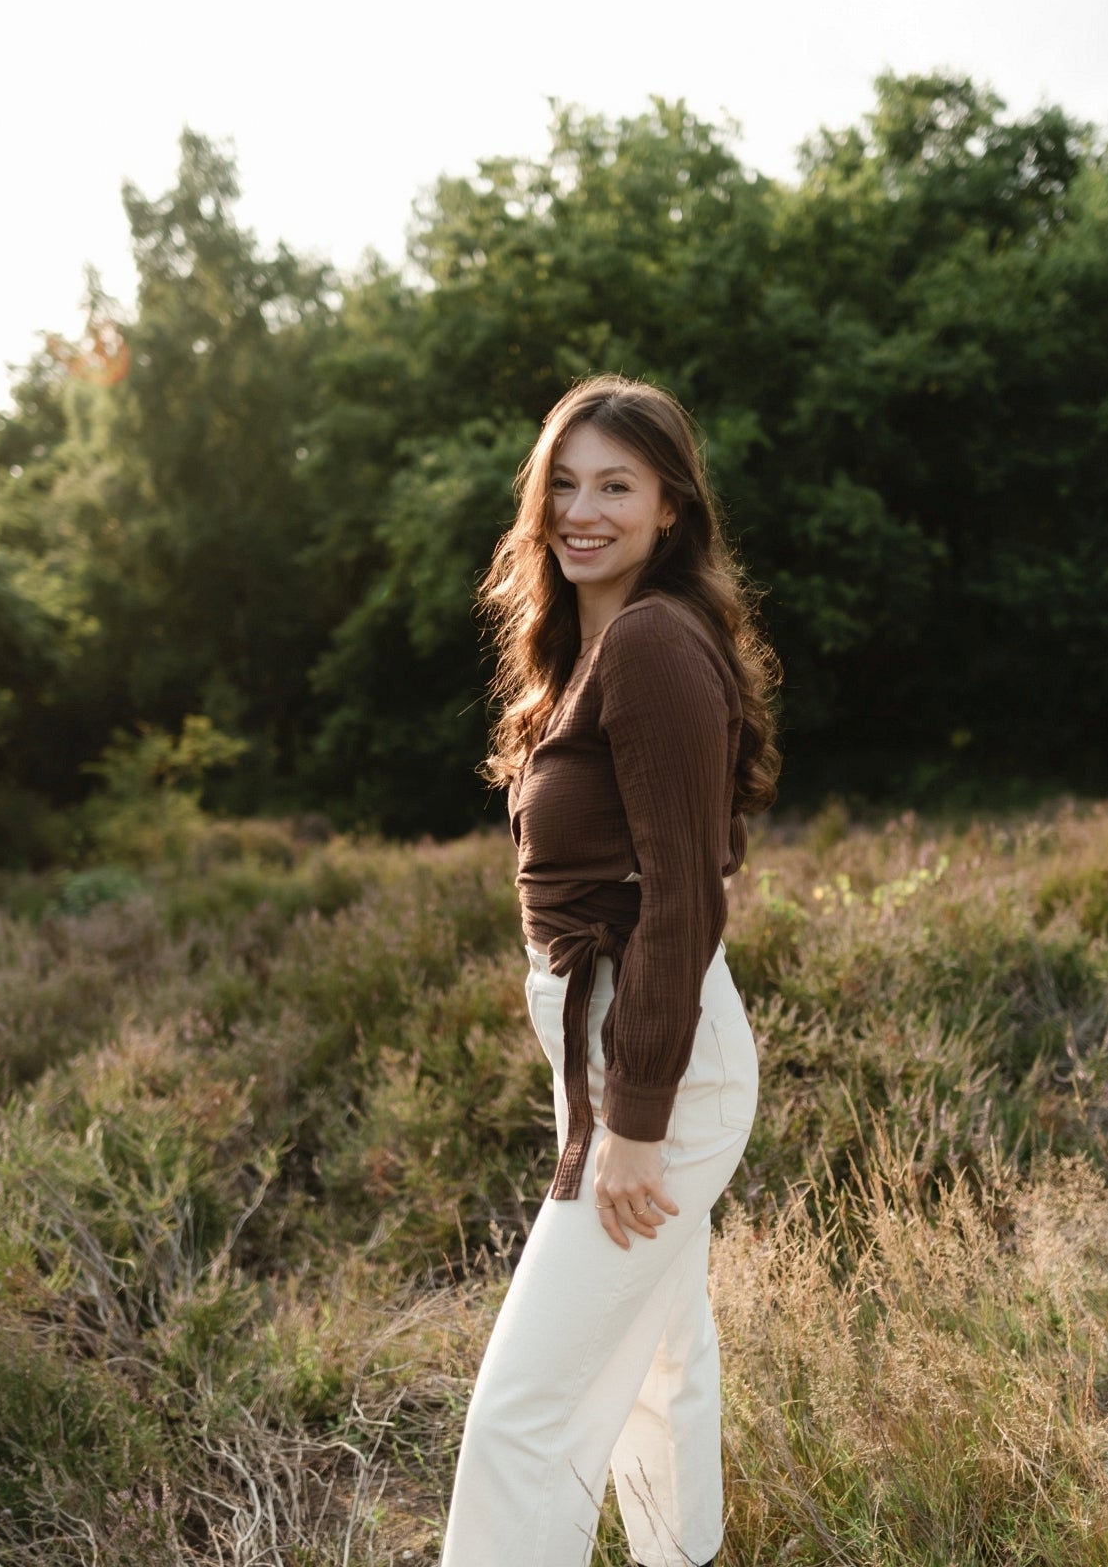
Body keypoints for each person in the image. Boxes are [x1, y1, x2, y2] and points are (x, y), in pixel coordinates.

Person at [440, 376, 781, 1567]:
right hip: (616, 1054)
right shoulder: (591, 644)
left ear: (669, 508)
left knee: (522, 1417)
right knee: (657, 1366)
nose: (583, 511)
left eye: (616, 487)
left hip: (656, 1070)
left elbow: (686, 898)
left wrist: (633, 1121)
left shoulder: (650, 642)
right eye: (566, 484)